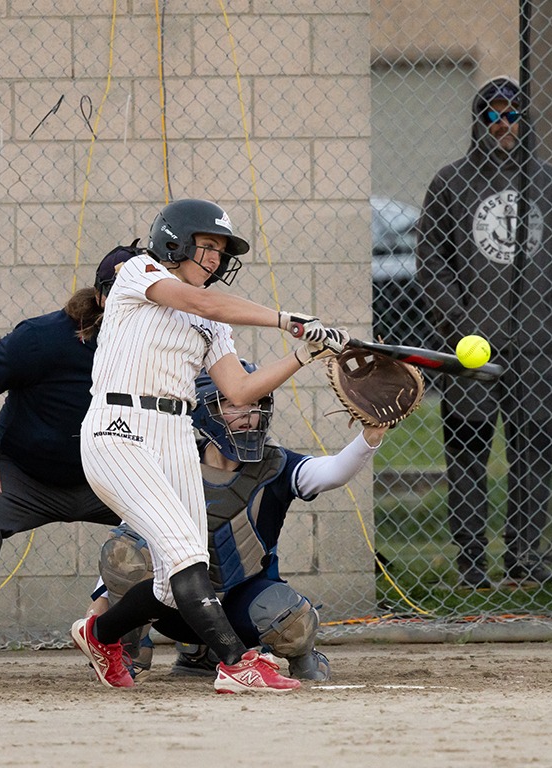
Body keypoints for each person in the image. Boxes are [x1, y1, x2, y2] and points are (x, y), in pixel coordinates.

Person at [70, 197, 348, 694]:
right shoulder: (140, 272)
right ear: (174, 240)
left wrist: (303, 353)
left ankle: (100, 635)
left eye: (222, 250)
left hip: (175, 433)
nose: (216, 258)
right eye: (208, 245)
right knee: (184, 555)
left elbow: (239, 390)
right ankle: (236, 664)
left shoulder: (214, 322)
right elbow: (198, 300)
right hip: (120, 425)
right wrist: (285, 319)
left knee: (171, 586)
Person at [90, 364, 389, 681]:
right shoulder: (172, 462)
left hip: (240, 607)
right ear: (205, 411)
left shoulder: (276, 465)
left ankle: (293, 656)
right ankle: (131, 654)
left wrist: (370, 435)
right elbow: (129, 534)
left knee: (291, 623)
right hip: (171, 604)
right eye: (234, 405)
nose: (249, 414)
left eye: (256, 404)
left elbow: (332, 472)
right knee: (124, 554)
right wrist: (100, 598)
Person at [0, 245, 136, 679]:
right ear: (100, 297)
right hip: (25, 473)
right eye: (120, 294)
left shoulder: (160, 345)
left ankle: (172, 642)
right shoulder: (46, 336)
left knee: (183, 524)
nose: (129, 305)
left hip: (111, 476)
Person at [416, 75, 552, 589]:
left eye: (512, 115)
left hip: (537, 346)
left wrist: (551, 328)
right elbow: (432, 264)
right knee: (469, 450)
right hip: (474, 349)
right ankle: (472, 561)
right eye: (491, 115)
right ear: (478, 121)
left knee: (535, 448)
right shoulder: (450, 184)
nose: (502, 125)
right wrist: (461, 323)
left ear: (526, 120)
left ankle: (523, 556)